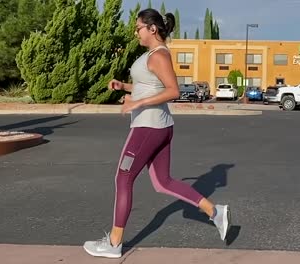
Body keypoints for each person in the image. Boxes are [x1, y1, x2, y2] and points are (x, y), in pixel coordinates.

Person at [83, 8, 231, 259]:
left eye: (138, 27)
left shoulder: (159, 55)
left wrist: (136, 104)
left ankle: (115, 243)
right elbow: (149, 86)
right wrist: (125, 87)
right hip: (158, 126)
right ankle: (216, 212)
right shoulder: (152, 55)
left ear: (152, 29)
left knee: (123, 179)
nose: (135, 32)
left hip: (147, 127)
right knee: (163, 182)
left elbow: (173, 91)